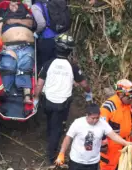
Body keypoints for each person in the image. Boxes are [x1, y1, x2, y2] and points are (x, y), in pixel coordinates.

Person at [55, 105, 132, 170]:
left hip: (92, 163)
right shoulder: (78, 123)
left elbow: (113, 135)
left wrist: (125, 143)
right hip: (76, 162)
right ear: (87, 115)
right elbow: (68, 138)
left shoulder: (102, 124)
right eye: (93, 118)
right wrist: (61, 153)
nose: (95, 120)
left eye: (97, 118)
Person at [34, 34, 92, 163]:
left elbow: (39, 84)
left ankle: (49, 137)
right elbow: (84, 85)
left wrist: (36, 99)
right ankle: (51, 157)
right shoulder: (73, 67)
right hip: (62, 104)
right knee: (57, 129)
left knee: (50, 120)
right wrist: (89, 93)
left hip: (47, 101)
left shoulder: (48, 64)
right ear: (69, 50)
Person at [0, 1, 36, 111]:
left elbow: (31, 24)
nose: (14, 6)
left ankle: (27, 95)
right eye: (11, 4)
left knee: (25, 66)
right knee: (8, 66)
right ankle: (4, 93)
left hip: (27, 45)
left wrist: (16, 21)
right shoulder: (3, 14)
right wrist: (1, 46)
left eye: (16, 4)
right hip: (9, 46)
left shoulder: (25, 12)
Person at [98, 80, 132, 170]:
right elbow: (100, 125)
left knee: (121, 165)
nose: (131, 99)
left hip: (124, 141)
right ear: (120, 94)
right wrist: (103, 144)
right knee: (109, 167)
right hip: (111, 144)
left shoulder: (128, 103)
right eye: (129, 96)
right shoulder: (108, 106)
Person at [32, 0, 71, 68]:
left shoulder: (36, 6)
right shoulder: (56, 3)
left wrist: (36, 32)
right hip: (60, 38)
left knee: (45, 64)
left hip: (47, 39)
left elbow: (42, 24)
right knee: (58, 63)